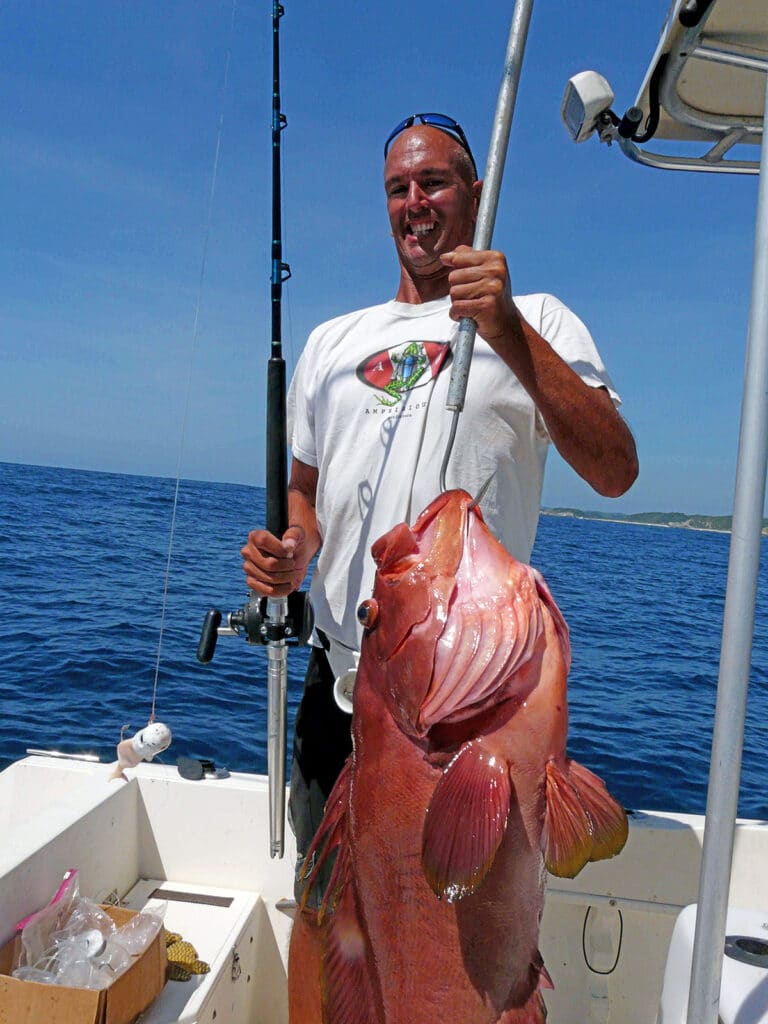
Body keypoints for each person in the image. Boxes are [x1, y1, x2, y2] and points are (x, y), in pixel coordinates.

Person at [241, 112, 638, 901]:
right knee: (333, 941)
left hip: (475, 724)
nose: (414, 202)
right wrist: (293, 549)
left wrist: (507, 328)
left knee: (462, 968)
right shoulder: (330, 341)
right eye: (398, 187)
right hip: (343, 700)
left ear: (475, 192)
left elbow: (614, 469)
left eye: (434, 181)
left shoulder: (543, 319)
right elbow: (307, 494)